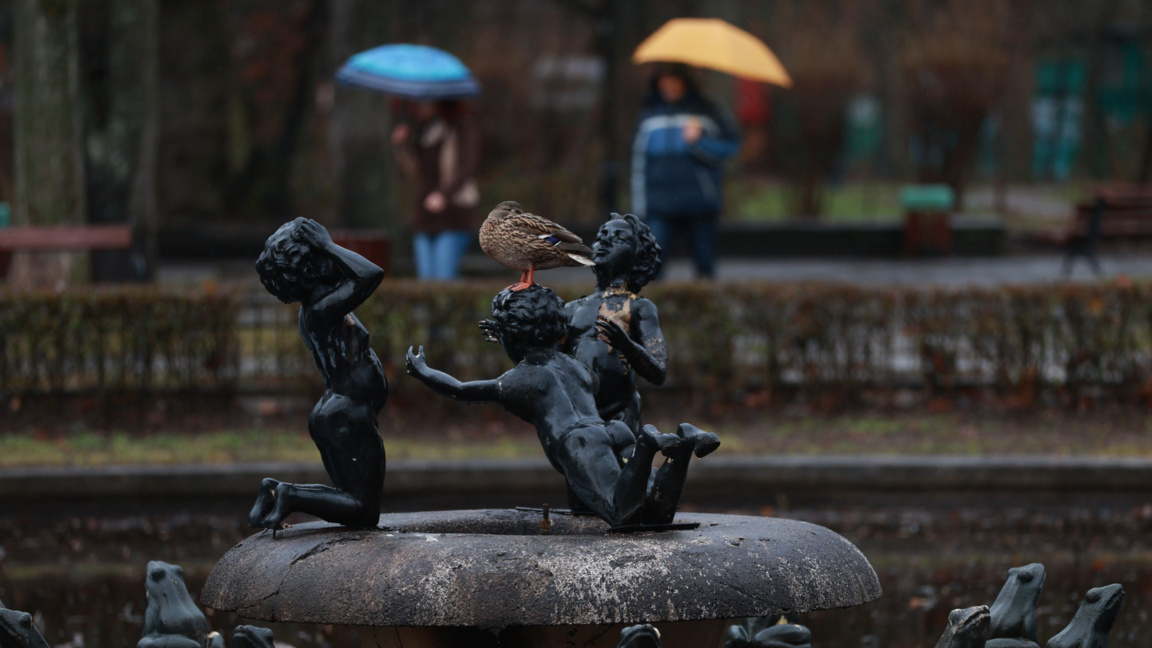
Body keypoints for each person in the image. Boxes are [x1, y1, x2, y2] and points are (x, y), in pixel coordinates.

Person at [407, 285, 716, 527]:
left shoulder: (522, 379)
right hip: (612, 430)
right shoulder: (574, 366)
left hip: (579, 444)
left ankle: (648, 443)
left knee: (621, 513)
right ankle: (684, 444)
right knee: (654, 510)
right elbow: (593, 384)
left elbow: (462, 390)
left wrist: (424, 371)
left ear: (511, 337)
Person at [249, 217, 387, 530]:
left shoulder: (317, 306)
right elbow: (371, 274)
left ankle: (274, 491)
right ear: (312, 269)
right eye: (322, 257)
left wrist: (321, 250)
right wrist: (327, 244)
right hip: (346, 414)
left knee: (351, 498)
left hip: (339, 412)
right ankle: (289, 495)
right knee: (364, 511)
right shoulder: (322, 310)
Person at [631, 63, 741, 279]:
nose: (668, 86)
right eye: (664, 81)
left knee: (705, 271)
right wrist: (640, 207)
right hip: (660, 205)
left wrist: (699, 142)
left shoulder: (708, 111)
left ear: (685, 82)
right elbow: (638, 166)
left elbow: (729, 149)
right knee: (653, 270)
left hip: (699, 204)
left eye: (674, 80)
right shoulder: (648, 117)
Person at [563, 213, 667, 435]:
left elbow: (658, 372)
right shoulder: (571, 309)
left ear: (637, 255)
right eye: (601, 236)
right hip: (578, 415)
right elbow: (545, 362)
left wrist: (627, 346)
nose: (605, 241)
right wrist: (511, 338)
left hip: (620, 417)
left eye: (618, 238)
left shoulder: (638, 307)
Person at [392, 99, 480, 280]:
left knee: (444, 277)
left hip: (454, 215)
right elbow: (413, 172)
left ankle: (460, 307)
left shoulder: (462, 127)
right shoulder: (423, 131)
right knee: (426, 280)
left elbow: (466, 167)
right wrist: (402, 144)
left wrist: (443, 194)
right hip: (424, 216)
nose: (421, 106)